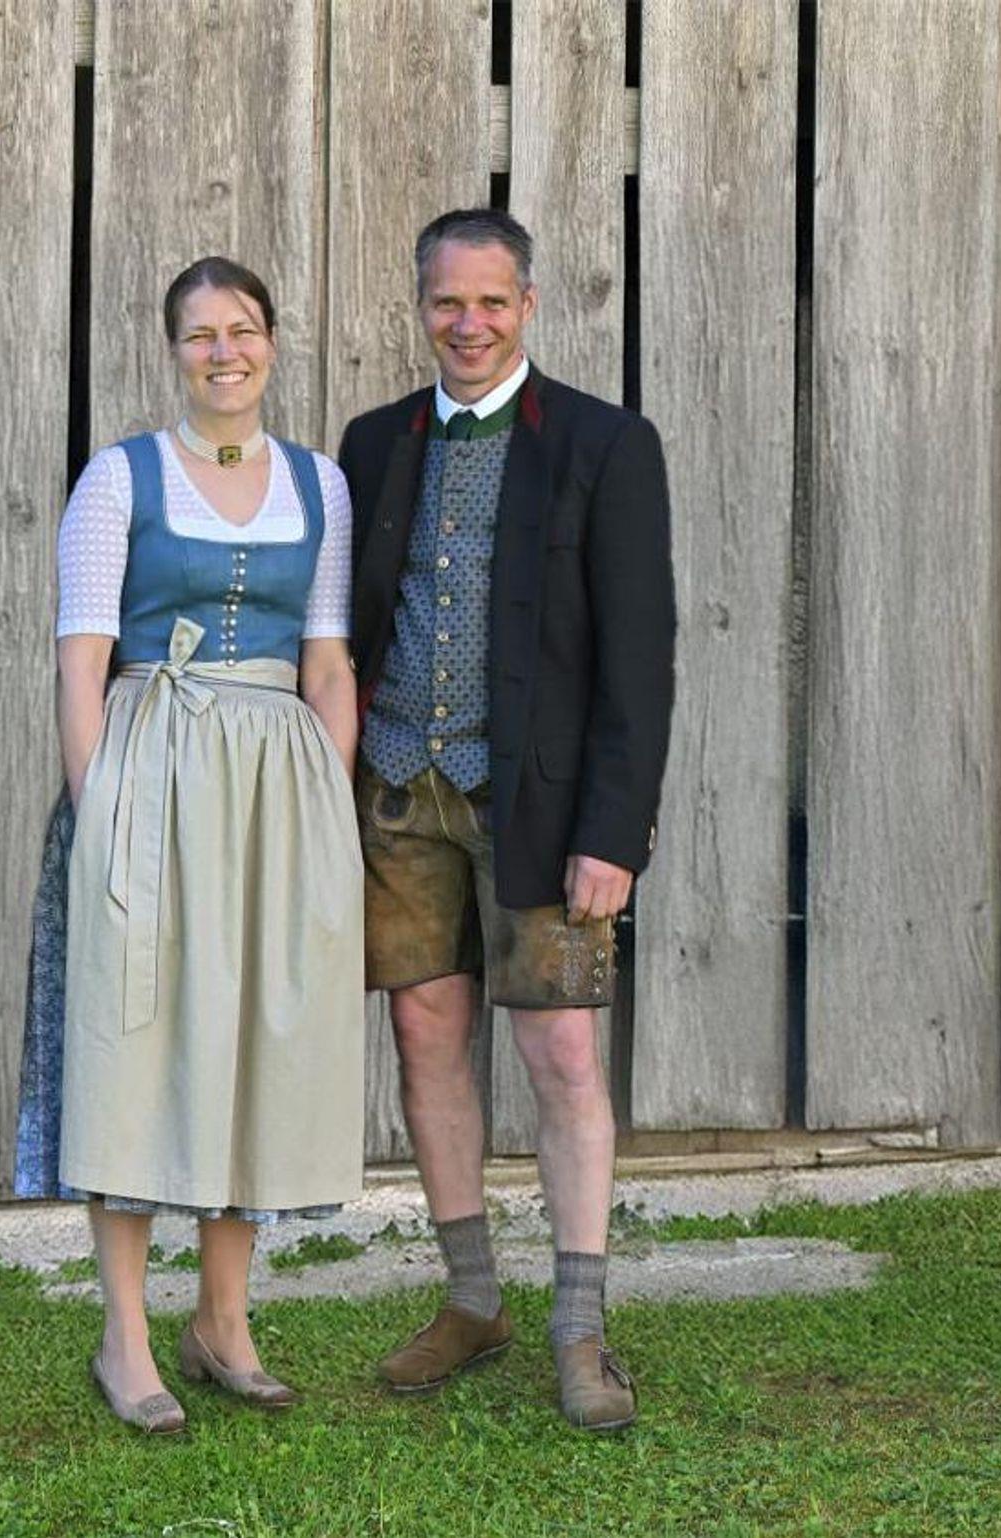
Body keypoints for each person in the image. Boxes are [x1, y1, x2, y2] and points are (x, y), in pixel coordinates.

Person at [13, 257, 364, 1436]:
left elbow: (327, 662)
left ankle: (222, 1318)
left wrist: (328, 811)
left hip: (276, 784)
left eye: (243, 328)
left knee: (252, 1038)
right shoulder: (119, 478)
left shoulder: (319, 484)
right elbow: (80, 659)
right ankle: (123, 1332)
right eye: (201, 334)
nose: (224, 351)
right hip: (151, 769)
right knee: (137, 1043)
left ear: (272, 341)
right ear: (173, 351)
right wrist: (98, 808)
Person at [336, 209, 675, 1431]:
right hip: (399, 791)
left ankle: (578, 1328)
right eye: (446, 302)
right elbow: (350, 625)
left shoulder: (603, 442)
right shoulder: (373, 442)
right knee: (425, 1036)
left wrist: (615, 832)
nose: (467, 323)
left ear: (527, 304)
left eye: (489, 301)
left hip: (541, 805)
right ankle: (471, 1297)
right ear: (420, 307)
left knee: (561, 1053)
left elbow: (640, 655)